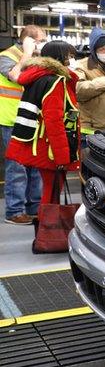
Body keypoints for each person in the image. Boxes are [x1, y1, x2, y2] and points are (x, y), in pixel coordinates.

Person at [4, 41, 80, 212]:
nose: (73, 59)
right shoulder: (56, 81)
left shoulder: (38, 77)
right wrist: (62, 157)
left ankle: (44, 231)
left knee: (48, 191)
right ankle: (47, 234)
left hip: (40, 144)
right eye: (70, 56)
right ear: (60, 57)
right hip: (51, 149)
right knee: (51, 195)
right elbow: (54, 122)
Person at [0, 25, 47, 224]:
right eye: (39, 41)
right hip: (12, 120)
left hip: (33, 119)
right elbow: (15, 76)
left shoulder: (38, 60)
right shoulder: (6, 56)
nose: (42, 44)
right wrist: (26, 54)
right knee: (17, 168)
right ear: (27, 40)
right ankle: (14, 211)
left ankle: (34, 208)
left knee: (34, 166)